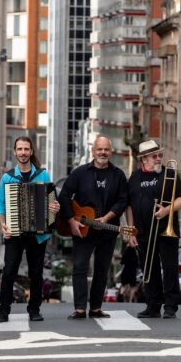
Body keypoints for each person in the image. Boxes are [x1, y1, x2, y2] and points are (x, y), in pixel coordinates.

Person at [58, 136, 128, 319]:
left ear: (110, 152)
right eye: (99, 149)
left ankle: (96, 308)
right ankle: (80, 308)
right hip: (83, 229)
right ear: (93, 151)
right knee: (80, 268)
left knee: (102, 269)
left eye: (106, 149)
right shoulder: (79, 173)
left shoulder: (118, 175)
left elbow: (123, 200)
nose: (103, 153)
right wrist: (71, 221)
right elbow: (64, 196)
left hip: (108, 230)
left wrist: (107, 217)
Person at [0, 136, 60, 323]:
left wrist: (55, 207)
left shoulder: (43, 176)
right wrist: (3, 224)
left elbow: (53, 202)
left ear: (31, 152)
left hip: (38, 235)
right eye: (19, 149)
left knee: (36, 272)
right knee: (9, 271)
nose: (23, 152)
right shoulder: (7, 177)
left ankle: (34, 310)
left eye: (26, 149)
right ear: (15, 152)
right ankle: (3, 311)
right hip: (14, 232)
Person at [126, 140, 181, 319]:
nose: (159, 159)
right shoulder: (135, 177)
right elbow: (129, 205)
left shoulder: (169, 174)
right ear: (144, 159)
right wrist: (130, 230)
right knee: (149, 270)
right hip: (143, 232)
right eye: (154, 156)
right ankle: (152, 306)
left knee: (169, 268)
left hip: (165, 230)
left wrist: (166, 210)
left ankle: (170, 307)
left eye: (160, 155)